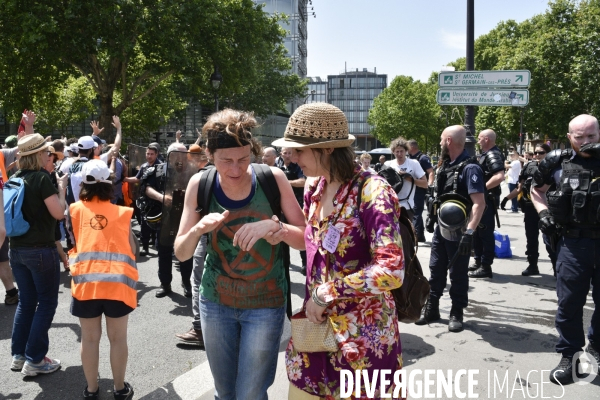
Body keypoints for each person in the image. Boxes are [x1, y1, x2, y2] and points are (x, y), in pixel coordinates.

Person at [272, 103, 405, 399]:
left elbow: (391, 270)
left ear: (328, 148)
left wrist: (325, 293)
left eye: (299, 150)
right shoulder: (314, 187)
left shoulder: (372, 191)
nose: (292, 157)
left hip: (363, 340)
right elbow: (313, 243)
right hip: (316, 332)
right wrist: (279, 232)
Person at [174, 108, 306, 400]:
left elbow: (306, 239)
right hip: (216, 303)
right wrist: (197, 231)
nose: (236, 168)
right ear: (209, 155)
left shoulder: (274, 178)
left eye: (243, 159)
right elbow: (181, 252)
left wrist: (276, 228)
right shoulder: (200, 183)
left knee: (250, 394)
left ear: (253, 152)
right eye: (226, 161)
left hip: (265, 304)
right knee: (225, 392)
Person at [531, 114, 600, 385]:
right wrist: (543, 212)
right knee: (569, 302)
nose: (585, 142)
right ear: (569, 136)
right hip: (572, 243)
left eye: (591, 136)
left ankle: (596, 349)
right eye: (579, 136)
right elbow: (536, 190)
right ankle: (569, 355)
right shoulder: (556, 161)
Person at [69, 159, 137, 400]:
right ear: (110, 184)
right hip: (118, 285)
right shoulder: (123, 213)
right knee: (118, 339)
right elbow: (132, 250)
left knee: (89, 339)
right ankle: (119, 389)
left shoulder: (74, 210)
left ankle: (91, 390)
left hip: (86, 285)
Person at [416, 125, 485, 332]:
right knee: (436, 268)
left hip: (460, 230)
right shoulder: (446, 164)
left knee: (458, 272)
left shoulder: (470, 167)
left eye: (440, 139)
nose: (439, 143)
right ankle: (433, 307)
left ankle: (457, 311)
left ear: (448, 141)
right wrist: (432, 216)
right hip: (441, 227)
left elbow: (479, 203)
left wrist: (470, 232)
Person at [9, 133, 68, 376]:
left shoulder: (14, 178)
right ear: (38, 155)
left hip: (17, 249)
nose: (50, 155)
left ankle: (19, 354)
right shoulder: (42, 179)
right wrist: (62, 190)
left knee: (26, 302)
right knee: (46, 304)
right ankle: (35, 359)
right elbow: (58, 214)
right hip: (40, 251)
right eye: (47, 152)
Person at [501, 144, 555, 276]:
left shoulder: (554, 168)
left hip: (548, 208)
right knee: (531, 239)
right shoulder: (529, 167)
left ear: (548, 153)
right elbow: (520, 188)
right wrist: (506, 198)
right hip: (531, 208)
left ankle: (557, 267)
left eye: (540, 153)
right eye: (535, 153)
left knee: (551, 239)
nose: (537, 155)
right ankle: (532, 265)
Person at [468, 129, 505, 279]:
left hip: (487, 200)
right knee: (477, 232)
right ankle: (478, 261)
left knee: (485, 233)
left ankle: (485, 266)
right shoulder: (486, 154)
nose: (477, 140)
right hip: (484, 199)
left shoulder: (492, 154)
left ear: (487, 139)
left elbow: (499, 176)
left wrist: (481, 190)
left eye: (480, 138)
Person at [124, 142, 161, 257]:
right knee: (144, 225)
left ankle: (158, 246)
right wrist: (124, 179)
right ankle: (145, 247)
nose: (149, 156)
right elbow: (137, 179)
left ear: (156, 155)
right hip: (145, 201)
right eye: (147, 153)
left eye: (151, 154)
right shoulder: (144, 166)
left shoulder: (161, 167)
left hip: (157, 200)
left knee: (158, 225)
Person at [276, 146, 308, 275]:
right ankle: (285, 263)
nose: (288, 155)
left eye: (290, 152)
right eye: (286, 153)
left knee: (301, 233)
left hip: (298, 204)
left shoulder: (298, 165)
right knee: (283, 233)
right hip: (281, 206)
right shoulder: (278, 164)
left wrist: (285, 183)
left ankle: (306, 264)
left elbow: (303, 181)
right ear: (281, 154)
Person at [384, 136, 428, 220]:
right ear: (393, 152)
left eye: (402, 151)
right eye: (397, 151)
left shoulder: (413, 163)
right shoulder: (388, 164)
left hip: (407, 207)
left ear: (406, 151)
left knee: (406, 232)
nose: (399, 154)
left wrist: (410, 179)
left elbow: (425, 184)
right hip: (390, 205)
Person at [408, 139, 435, 242]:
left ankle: (415, 236)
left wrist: (429, 186)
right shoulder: (411, 158)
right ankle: (420, 236)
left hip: (420, 188)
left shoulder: (422, 158)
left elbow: (431, 172)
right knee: (416, 212)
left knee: (416, 212)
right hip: (413, 188)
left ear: (412, 147)